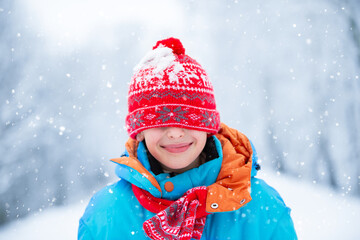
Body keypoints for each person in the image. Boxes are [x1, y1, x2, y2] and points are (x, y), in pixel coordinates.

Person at [78, 37, 297, 240]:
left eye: (187, 117)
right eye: (158, 119)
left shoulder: (260, 206)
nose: (175, 132)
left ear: (208, 125)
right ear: (140, 130)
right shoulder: (106, 215)